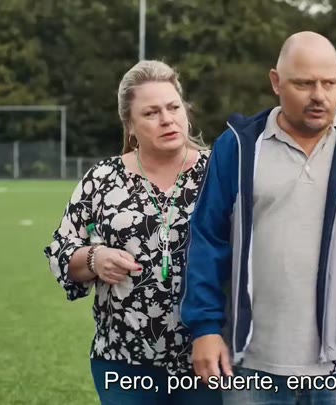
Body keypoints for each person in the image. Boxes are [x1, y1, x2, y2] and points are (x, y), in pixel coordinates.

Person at [180, 31, 336, 404]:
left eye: (330, 83)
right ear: (276, 82)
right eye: (304, 84)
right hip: (251, 365)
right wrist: (205, 328)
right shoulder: (239, 148)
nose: (319, 95)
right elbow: (207, 240)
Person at [43, 60, 222, 405]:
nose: (167, 119)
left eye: (173, 107)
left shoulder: (220, 172)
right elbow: (61, 250)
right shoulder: (103, 179)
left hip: (207, 357)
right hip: (123, 360)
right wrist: (94, 258)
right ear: (130, 125)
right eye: (151, 113)